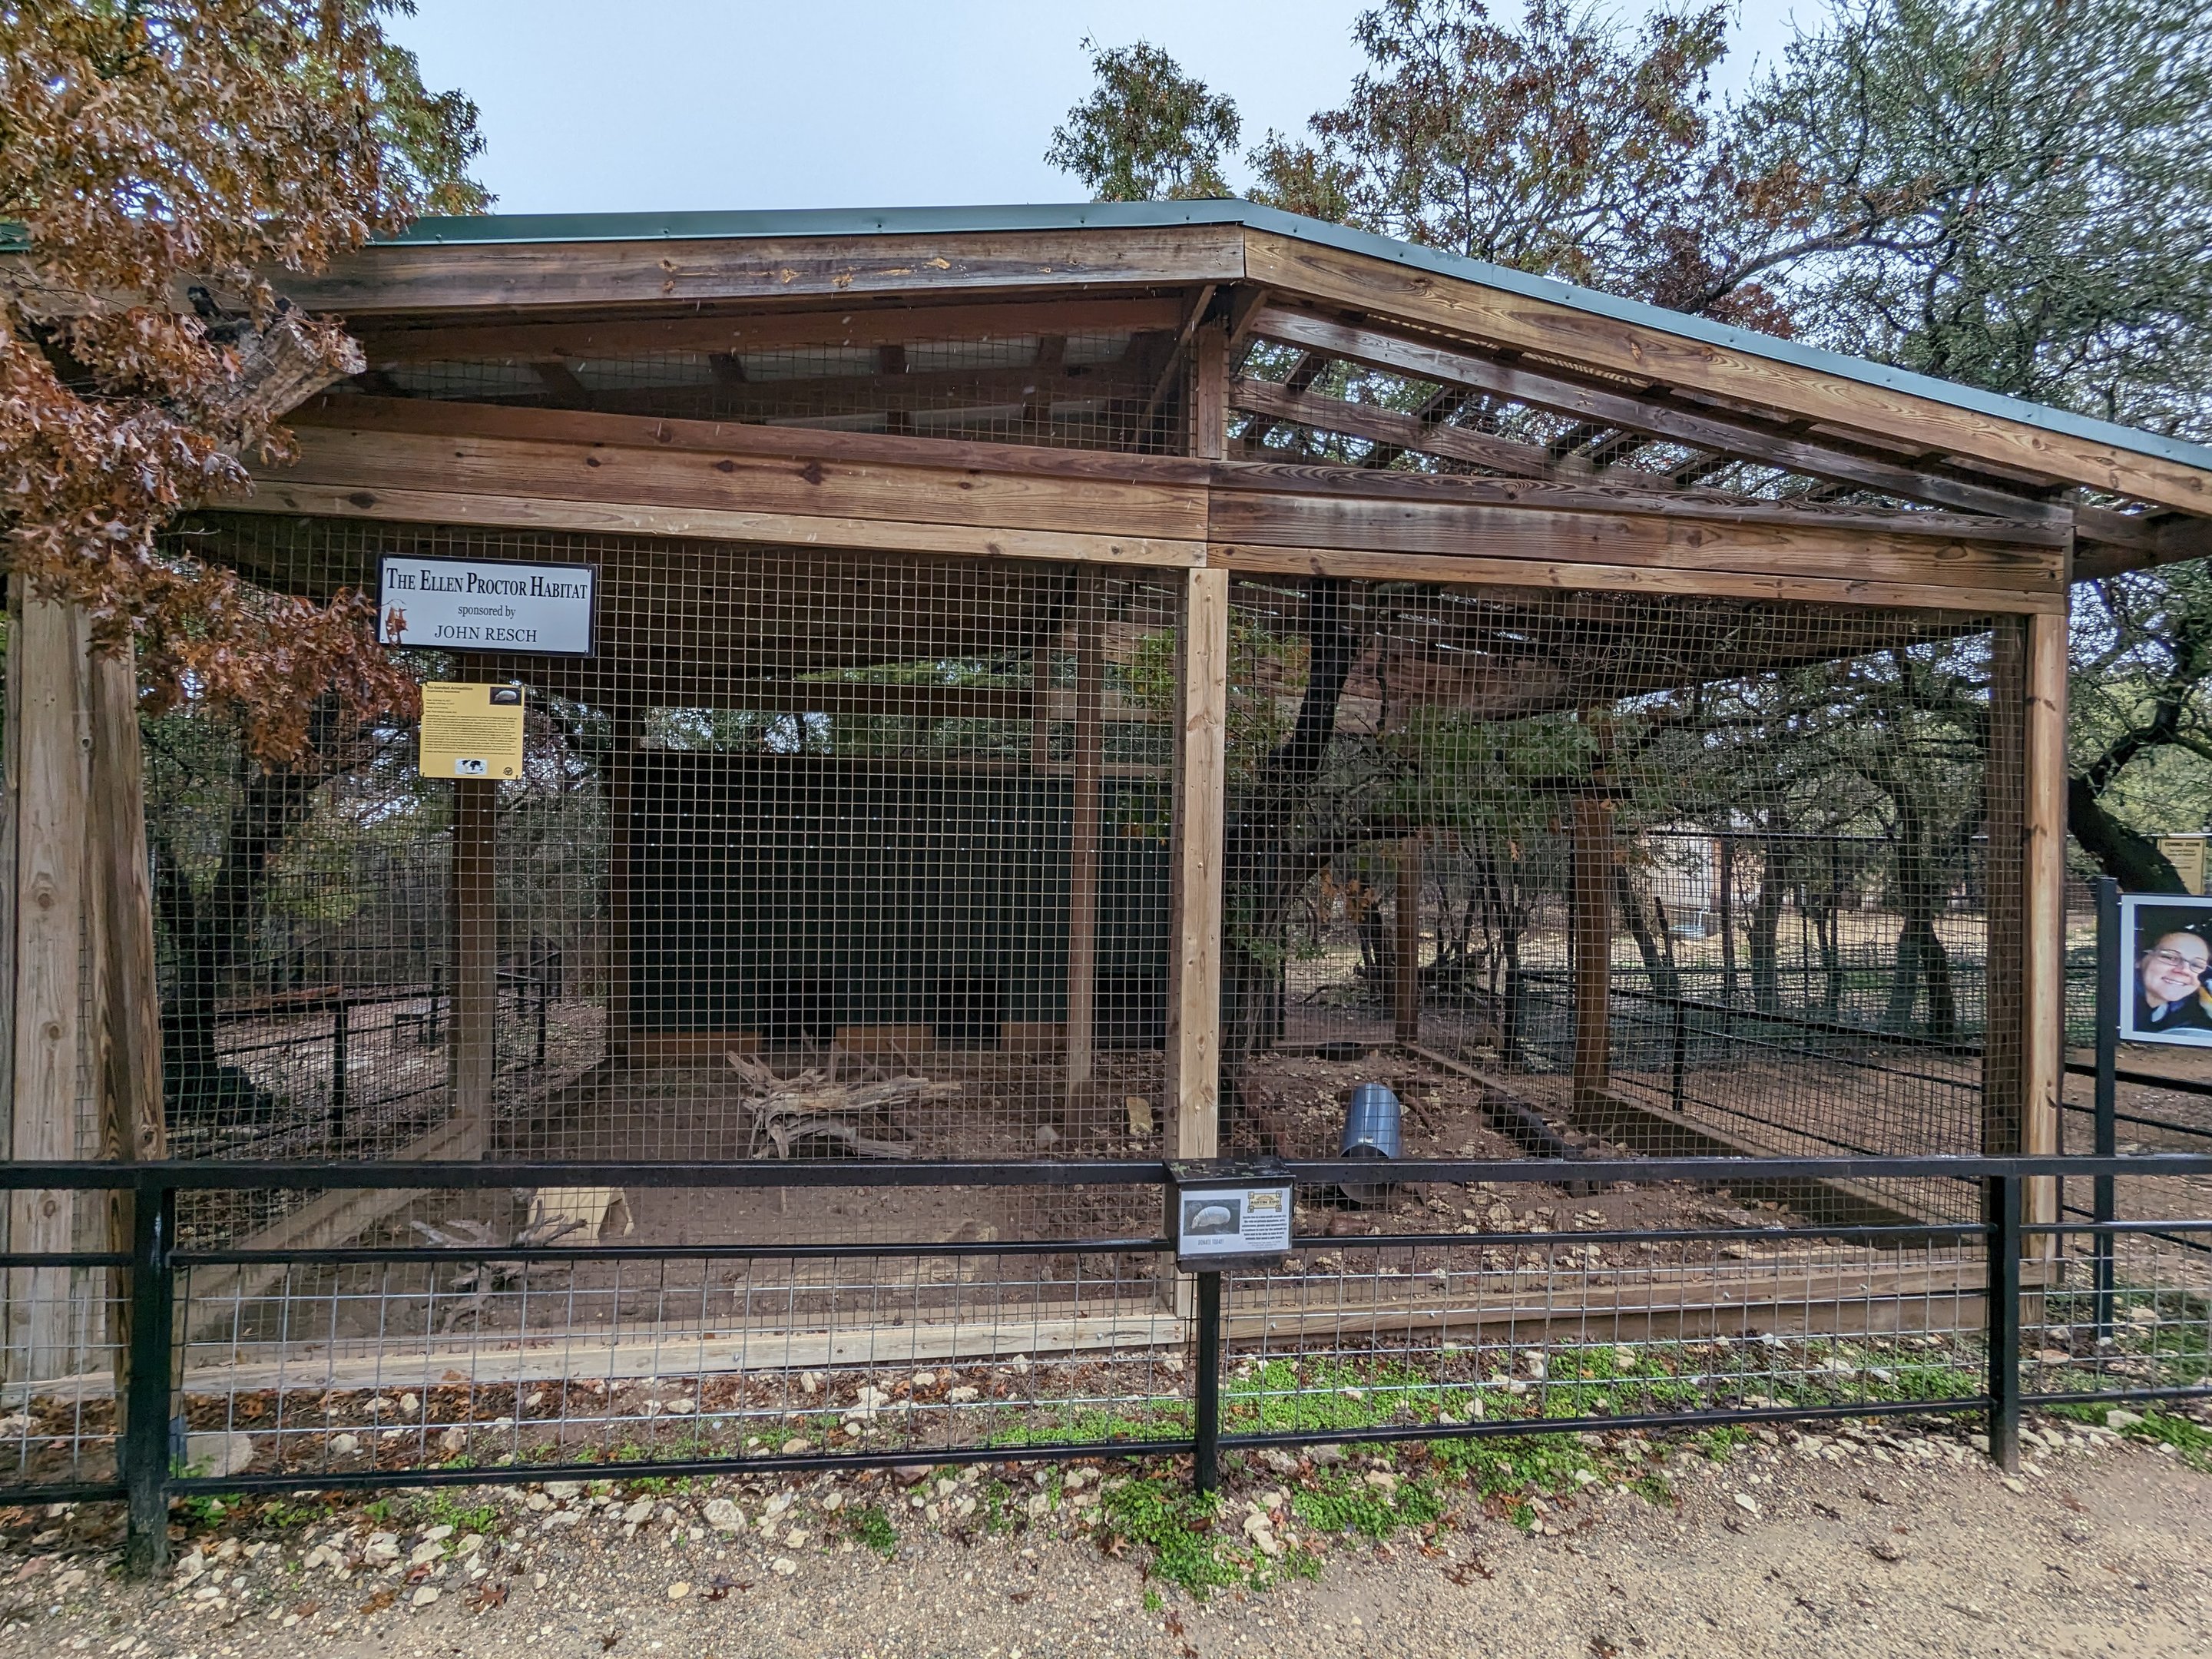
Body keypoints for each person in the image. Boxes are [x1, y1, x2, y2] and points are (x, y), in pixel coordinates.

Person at [2132, 928, 2212, 1038]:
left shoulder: (2186, 1011)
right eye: (2170, 957)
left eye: (2196, 965)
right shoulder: (2115, 1005)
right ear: (2137, 960)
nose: (2184, 970)